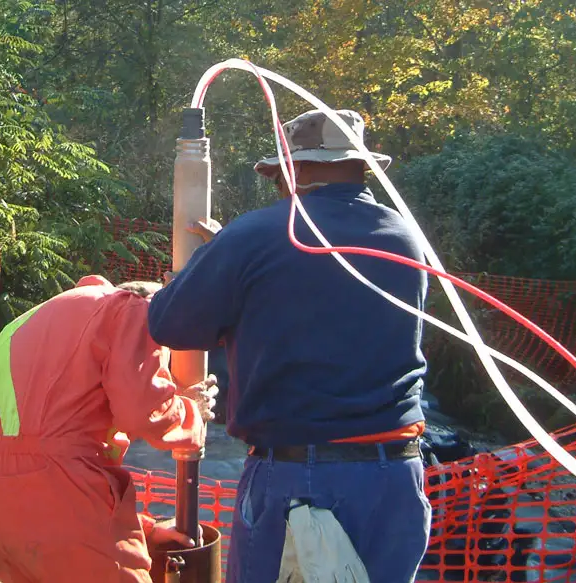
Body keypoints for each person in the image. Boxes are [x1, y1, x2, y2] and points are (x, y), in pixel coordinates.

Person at [147, 109, 431, 583]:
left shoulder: (258, 234)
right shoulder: (406, 238)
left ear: (296, 169)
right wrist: (241, 259)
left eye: (280, 176)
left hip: (301, 481)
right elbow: (329, 293)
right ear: (361, 166)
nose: (280, 188)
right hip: (396, 481)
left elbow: (171, 323)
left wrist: (219, 262)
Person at [0, 276, 218, 583]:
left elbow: (27, 473)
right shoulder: (135, 308)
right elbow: (142, 411)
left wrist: (146, 531)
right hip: (47, 482)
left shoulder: (53, 320)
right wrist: (191, 410)